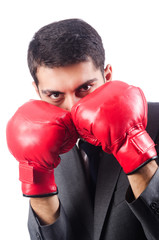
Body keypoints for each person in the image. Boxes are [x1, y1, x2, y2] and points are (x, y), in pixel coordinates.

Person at [6, 18, 159, 240]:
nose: (73, 107)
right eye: (55, 95)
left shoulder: (154, 122)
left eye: (85, 88)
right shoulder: (39, 142)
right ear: (37, 91)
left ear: (107, 76)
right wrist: (36, 176)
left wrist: (134, 146)